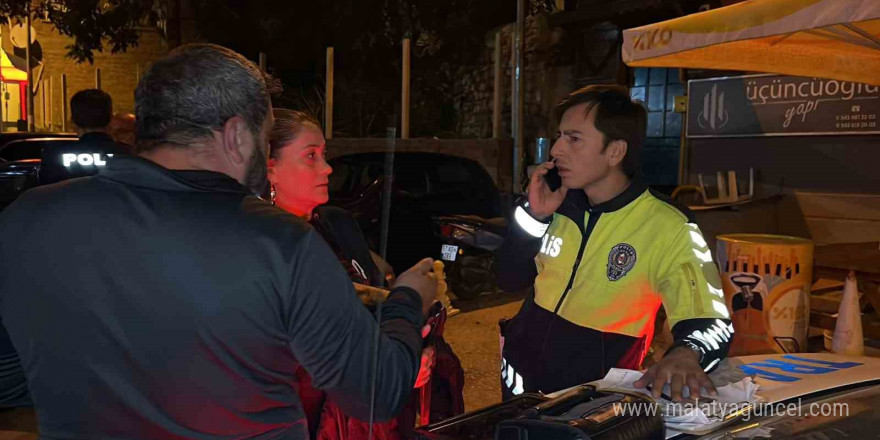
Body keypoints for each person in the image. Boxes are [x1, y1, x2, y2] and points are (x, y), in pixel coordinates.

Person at [0, 43, 435, 439]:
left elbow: (10, 378)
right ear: (235, 136)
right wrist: (407, 301)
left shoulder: (26, 220)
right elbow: (377, 391)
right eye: (264, 141)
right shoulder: (278, 244)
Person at [494, 85, 734, 402]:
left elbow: (711, 319)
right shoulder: (555, 201)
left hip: (591, 403)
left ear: (615, 151)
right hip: (518, 385)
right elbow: (506, 279)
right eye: (559, 136)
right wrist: (535, 216)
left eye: (573, 138)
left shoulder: (668, 226)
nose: (555, 150)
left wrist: (686, 354)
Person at [267, 109, 464, 439]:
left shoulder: (333, 225)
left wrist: (411, 344)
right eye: (310, 156)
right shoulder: (271, 250)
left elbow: (368, 309)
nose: (327, 168)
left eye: (324, 155)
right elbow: (309, 362)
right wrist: (392, 368)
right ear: (270, 169)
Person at [39, 89, 132, 184]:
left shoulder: (54, 153)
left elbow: (44, 190)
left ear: (73, 121)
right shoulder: (129, 154)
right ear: (111, 119)